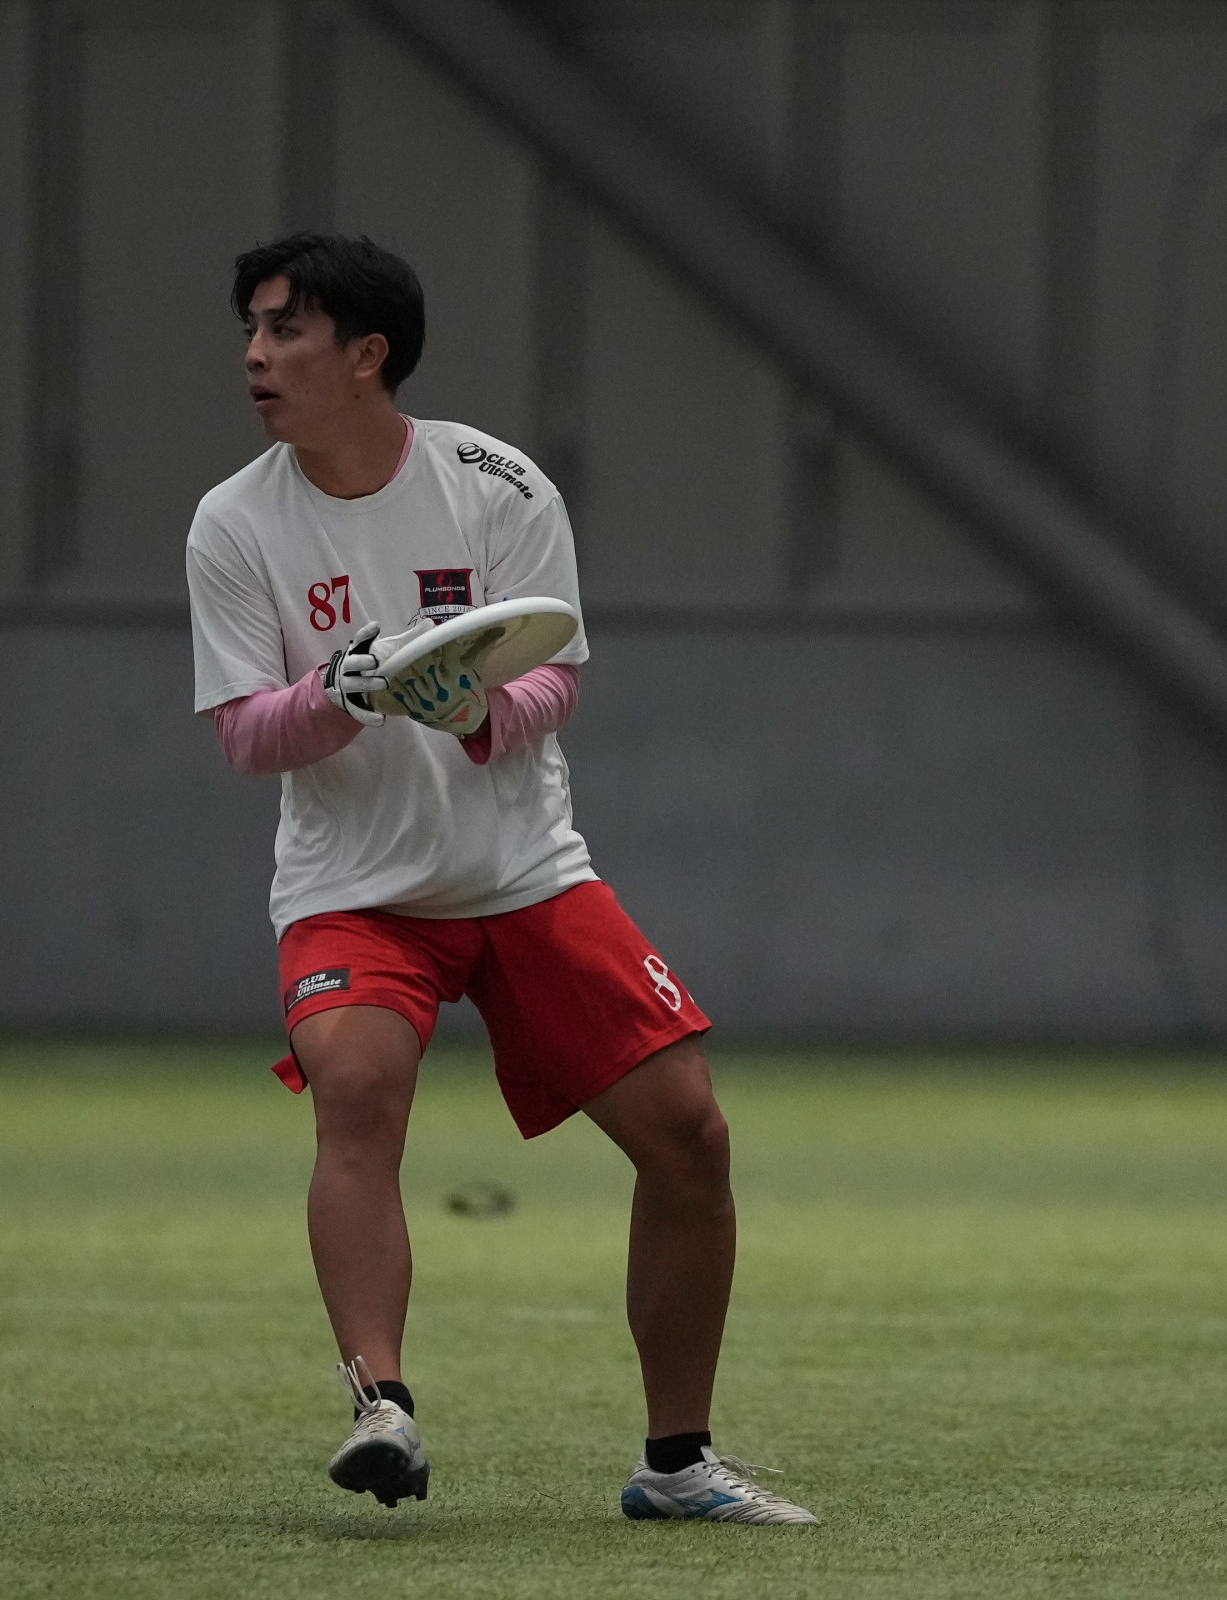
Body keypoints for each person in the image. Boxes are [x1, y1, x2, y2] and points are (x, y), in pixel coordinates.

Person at [184, 232, 816, 1526]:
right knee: (357, 1091)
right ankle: (383, 1408)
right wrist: (344, 690)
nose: (255, 354)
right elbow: (247, 735)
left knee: (690, 1133)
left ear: (368, 354)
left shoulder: (496, 482)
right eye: (250, 328)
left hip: (526, 874)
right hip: (353, 891)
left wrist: (477, 711)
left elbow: (557, 675)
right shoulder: (234, 521)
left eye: (286, 328)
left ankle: (678, 1465)